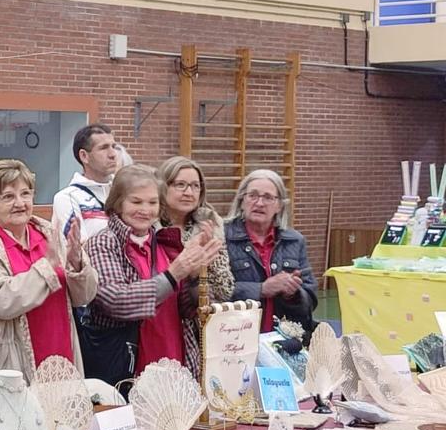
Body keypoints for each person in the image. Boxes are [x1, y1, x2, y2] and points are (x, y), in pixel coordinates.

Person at [83, 164, 223, 385]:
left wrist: (195, 276)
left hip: (174, 355)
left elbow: (187, 310)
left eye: (152, 202)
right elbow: (115, 300)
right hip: (127, 364)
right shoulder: (104, 242)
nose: (145, 210)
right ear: (118, 203)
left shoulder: (163, 241)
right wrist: (173, 274)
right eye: (136, 202)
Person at [0, 159, 98, 380]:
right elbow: (2, 301)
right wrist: (47, 268)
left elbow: (84, 297)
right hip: (12, 367)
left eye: (25, 194)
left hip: (62, 356)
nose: (20, 203)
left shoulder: (49, 235)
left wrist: (77, 264)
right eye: (8, 197)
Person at [225, 170, 317, 339]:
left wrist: (293, 294)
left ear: (279, 205)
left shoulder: (295, 241)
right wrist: (260, 289)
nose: (259, 203)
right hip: (235, 339)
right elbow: (209, 293)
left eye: (268, 197)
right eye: (252, 195)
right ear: (242, 200)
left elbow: (310, 299)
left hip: (284, 341)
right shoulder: (223, 238)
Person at [158, 156, 235, 302]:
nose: (189, 192)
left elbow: (225, 292)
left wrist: (205, 269)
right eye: (180, 185)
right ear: (163, 186)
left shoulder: (209, 226)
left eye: (195, 186)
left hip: (195, 319)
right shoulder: (150, 227)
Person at [52, 123, 120, 243]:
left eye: (113, 147)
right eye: (104, 148)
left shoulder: (124, 191)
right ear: (84, 156)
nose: (113, 154)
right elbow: (78, 248)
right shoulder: (68, 198)